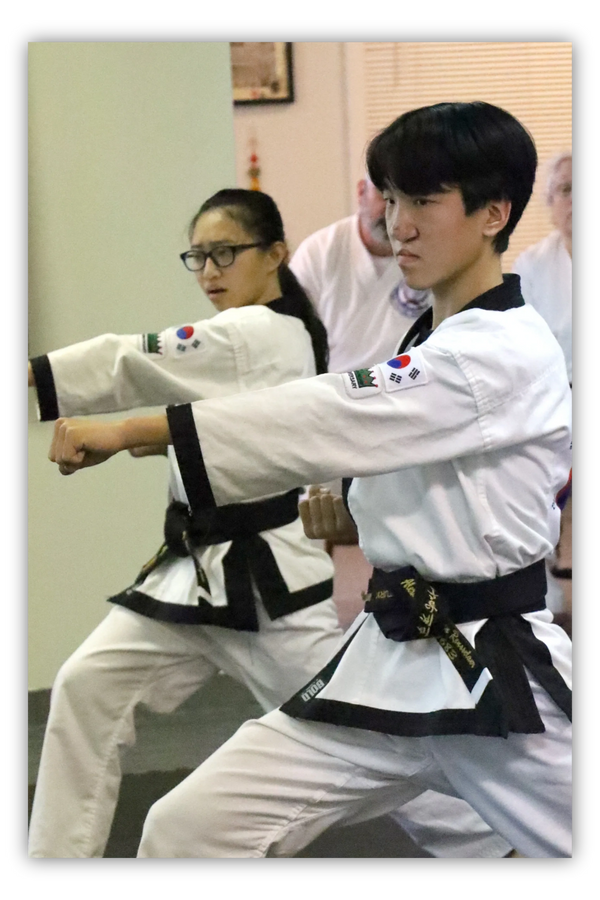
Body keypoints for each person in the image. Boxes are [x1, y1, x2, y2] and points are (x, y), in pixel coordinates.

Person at [47, 101, 572, 859]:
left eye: (425, 200)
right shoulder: (434, 332)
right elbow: (438, 468)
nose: (401, 225)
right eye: (392, 200)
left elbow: (332, 413)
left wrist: (135, 428)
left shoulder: (501, 348)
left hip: (487, 671)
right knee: (189, 827)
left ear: (494, 212)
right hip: (389, 662)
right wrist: (359, 517)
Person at [290, 174, 432, 373]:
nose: (394, 210)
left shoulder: (433, 252)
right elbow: (294, 339)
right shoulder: (318, 252)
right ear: (361, 192)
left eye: (407, 197)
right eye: (385, 195)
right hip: (333, 388)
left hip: (407, 387)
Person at [513, 152, 572, 625]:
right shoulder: (530, 266)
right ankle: (544, 593)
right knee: (531, 486)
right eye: (567, 191)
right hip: (553, 404)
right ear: (550, 202)